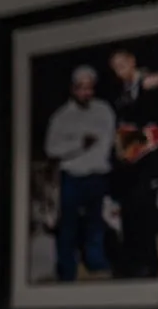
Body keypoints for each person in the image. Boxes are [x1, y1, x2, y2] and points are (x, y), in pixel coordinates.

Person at [44, 65, 115, 281]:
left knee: (96, 223)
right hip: (72, 178)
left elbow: (109, 139)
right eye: (81, 88)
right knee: (68, 226)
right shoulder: (61, 117)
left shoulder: (104, 110)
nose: (86, 92)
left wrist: (99, 160)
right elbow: (51, 149)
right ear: (73, 89)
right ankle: (67, 270)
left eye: (89, 88)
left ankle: (95, 262)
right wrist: (79, 145)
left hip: (97, 176)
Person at [108, 49, 158, 277]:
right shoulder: (121, 94)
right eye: (114, 66)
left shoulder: (152, 82)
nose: (119, 68)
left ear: (132, 60)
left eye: (122, 62)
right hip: (129, 163)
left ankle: (149, 267)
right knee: (130, 214)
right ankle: (132, 266)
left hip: (150, 159)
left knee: (146, 214)